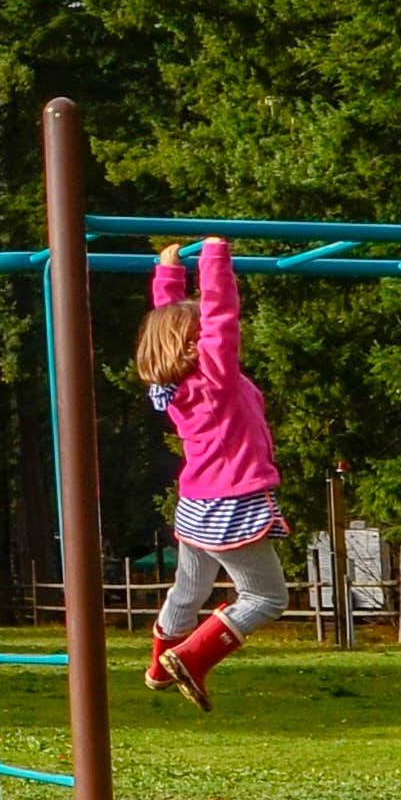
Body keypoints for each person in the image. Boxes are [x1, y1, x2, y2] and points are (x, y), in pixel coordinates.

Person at [135, 235, 284, 709]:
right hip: (232, 502)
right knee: (265, 597)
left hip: (198, 503)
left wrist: (168, 272)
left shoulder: (174, 385)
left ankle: (159, 667)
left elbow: (168, 322)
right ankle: (194, 658)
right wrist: (216, 256)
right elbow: (221, 318)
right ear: (195, 342)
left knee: (190, 589)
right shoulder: (215, 380)